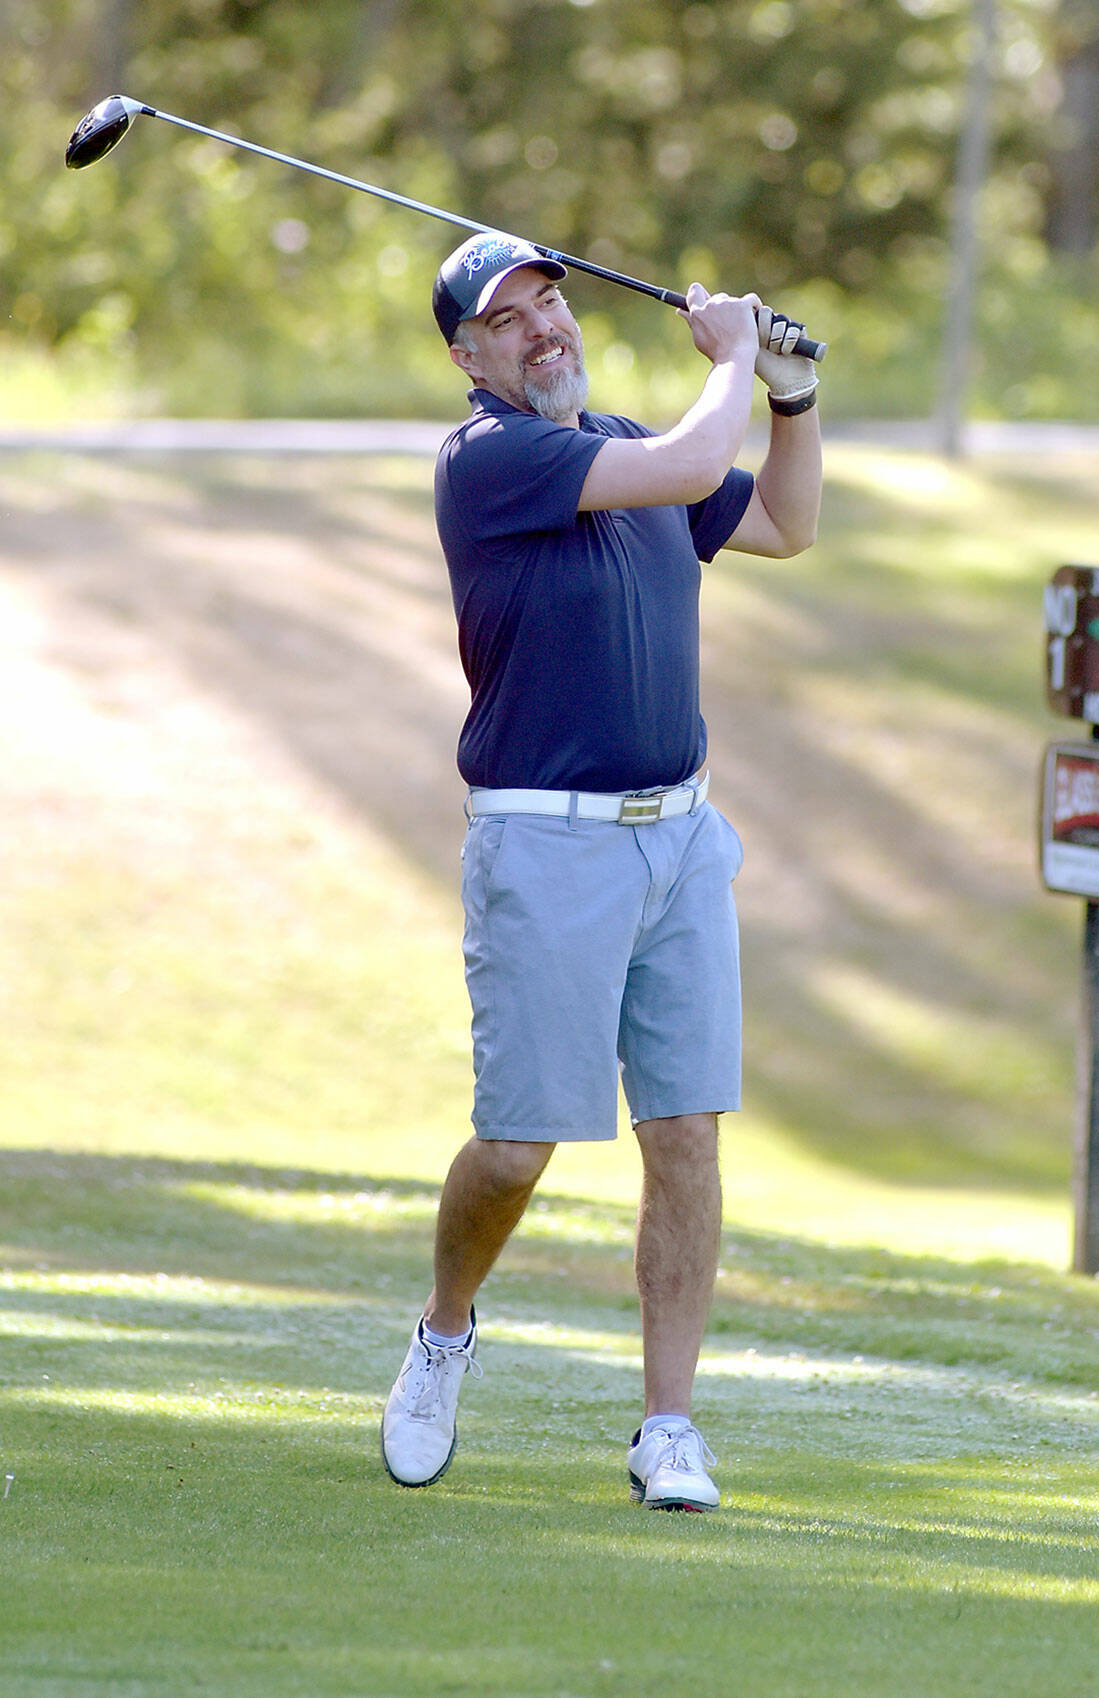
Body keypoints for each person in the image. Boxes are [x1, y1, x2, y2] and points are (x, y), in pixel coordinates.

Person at [380, 231, 822, 1511]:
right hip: (546, 843)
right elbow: (693, 458)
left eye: (550, 303)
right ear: (468, 358)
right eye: (507, 320)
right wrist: (733, 355)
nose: (542, 330)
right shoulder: (490, 460)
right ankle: (445, 1327)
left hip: (679, 840)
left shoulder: (624, 446)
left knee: (684, 1134)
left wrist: (787, 396)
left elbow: (787, 523)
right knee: (517, 1150)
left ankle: (667, 1425)